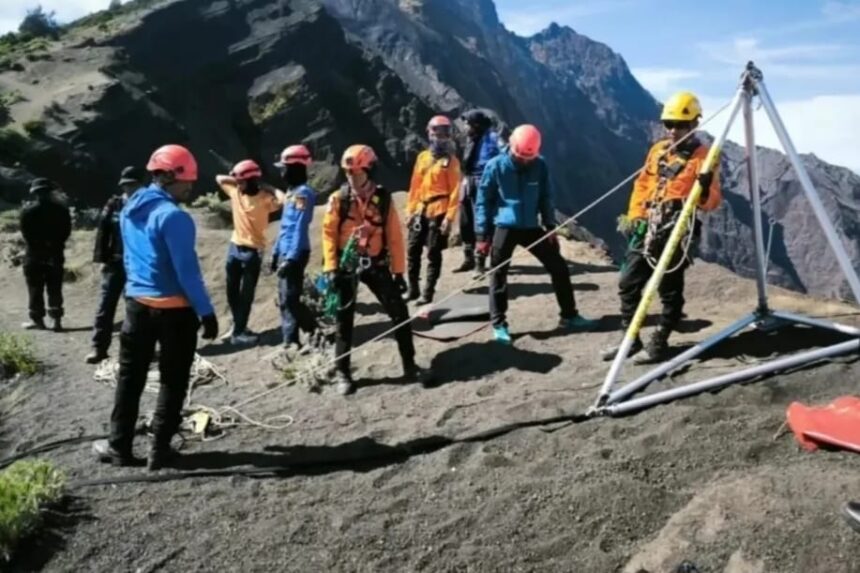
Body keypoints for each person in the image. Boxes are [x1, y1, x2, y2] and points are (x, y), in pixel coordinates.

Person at [93, 144, 218, 470]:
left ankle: (118, 446)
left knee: (130, 380)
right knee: (173, 381)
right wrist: (206, 312)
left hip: (136, 306)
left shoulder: (128, 209)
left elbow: (132, 261)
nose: (191, 187)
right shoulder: (174, 217)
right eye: (187, 180)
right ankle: (159, 450)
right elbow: (187, 272)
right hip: (174, 312)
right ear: (169, 178)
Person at [602, 91, 721, 364]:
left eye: (679, 124)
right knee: (628, 283)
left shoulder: (704, 157)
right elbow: (642, 184)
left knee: (669, 288)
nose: (672, 130)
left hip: (677, 229)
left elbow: (713, 199)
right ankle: (630, 339)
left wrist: (703, 188)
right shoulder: (658, 151)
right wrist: (636, 216)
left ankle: (660, 341)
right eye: (668, 124)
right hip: (649, 226)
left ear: (693, 124)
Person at [322, 144, 430, 395]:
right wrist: (331, 268)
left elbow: (394, 235)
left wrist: (399, 271)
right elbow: (328, 234)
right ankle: (343, 373)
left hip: (376, 262)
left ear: (368, 170)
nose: (352, 176)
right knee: (344, 320)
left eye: (357, 172)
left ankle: (409, 365)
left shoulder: (383, 198)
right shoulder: (339, 199)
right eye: (349, 173)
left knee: (399, 313)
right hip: (346, 265)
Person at [475, 124, 597, 344]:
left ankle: (569, 315)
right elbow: (484, 201)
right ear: (511, 147)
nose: (524, 161)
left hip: (531, 226)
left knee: (559, 267)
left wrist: (550, 226)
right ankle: (499, 324)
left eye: (527, 158)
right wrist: (482, 236)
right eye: (520, 156)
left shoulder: (539, 166)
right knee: (499, 275)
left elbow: (545, 197)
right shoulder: (495, 166)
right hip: (505, 227)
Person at [216, 159, 281, 345]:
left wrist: (267, 186)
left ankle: (238, 332)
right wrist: (237, 177)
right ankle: (238, 327)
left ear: (252, 181)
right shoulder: (236, 191)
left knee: (246, 294)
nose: (239, 184)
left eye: (243, 181)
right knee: (231, 291)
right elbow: (219, 178)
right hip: (234, 247)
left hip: (253, 252)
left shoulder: (264, 198)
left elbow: (283, 199)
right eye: (238, 181)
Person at [85, 166, 146, 364]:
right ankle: (98, 347)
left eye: (133, 185)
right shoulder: (114, 204)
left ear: (141, 185)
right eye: (126, 185)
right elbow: (103, 232)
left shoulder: (148, 205)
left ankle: (134, 350)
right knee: (105, 306)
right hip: (115, 263)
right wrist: (102, 259)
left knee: (135, 308)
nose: (129, 189)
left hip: (138, 265)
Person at [405, 115, 461, 304]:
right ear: (430, 133)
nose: (441, 136)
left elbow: (455, 190)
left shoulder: (452, 162)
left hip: (439, 210)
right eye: (437, 132)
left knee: (433, 253)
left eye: (444, 133)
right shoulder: (423, 158)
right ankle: (412, 289)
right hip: (421, 209)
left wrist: (450, 217)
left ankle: (427, 292)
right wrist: (410, 211)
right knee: (413, 250)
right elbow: (415, 185)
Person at [271, 145, 318, 352]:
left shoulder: (303, 194)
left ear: (296, 168)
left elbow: (299, 226)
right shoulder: (292, 193)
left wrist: (290, 258)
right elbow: (285, 226)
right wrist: (276, 252)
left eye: (285, 168)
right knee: (284, 298)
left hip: (296, 252)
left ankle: (312, 331)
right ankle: (290, 339)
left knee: (291, 298)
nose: (281, 172)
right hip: (285, 250)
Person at [19, 178, 71, 332]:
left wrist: (39, 246)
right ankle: (57, 320)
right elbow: (66, 232)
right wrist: (53, 245)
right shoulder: (62, 210)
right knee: (55, 287)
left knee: (35, 287)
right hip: (55, 253)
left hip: (34, 254)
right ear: (50, 192)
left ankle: (38, 320)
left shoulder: (28, 212)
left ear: (35, 193)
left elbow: (26, 235)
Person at [456, 109, 500, 276]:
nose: (465, 127)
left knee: (482, 221)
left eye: (467, 123)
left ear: (476, 125)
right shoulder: (471, 139)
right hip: (469, 181)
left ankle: (480, 261)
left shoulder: (493, 138)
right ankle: (469, 258)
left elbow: (506, 154)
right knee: (465, 220)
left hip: (484, 183)